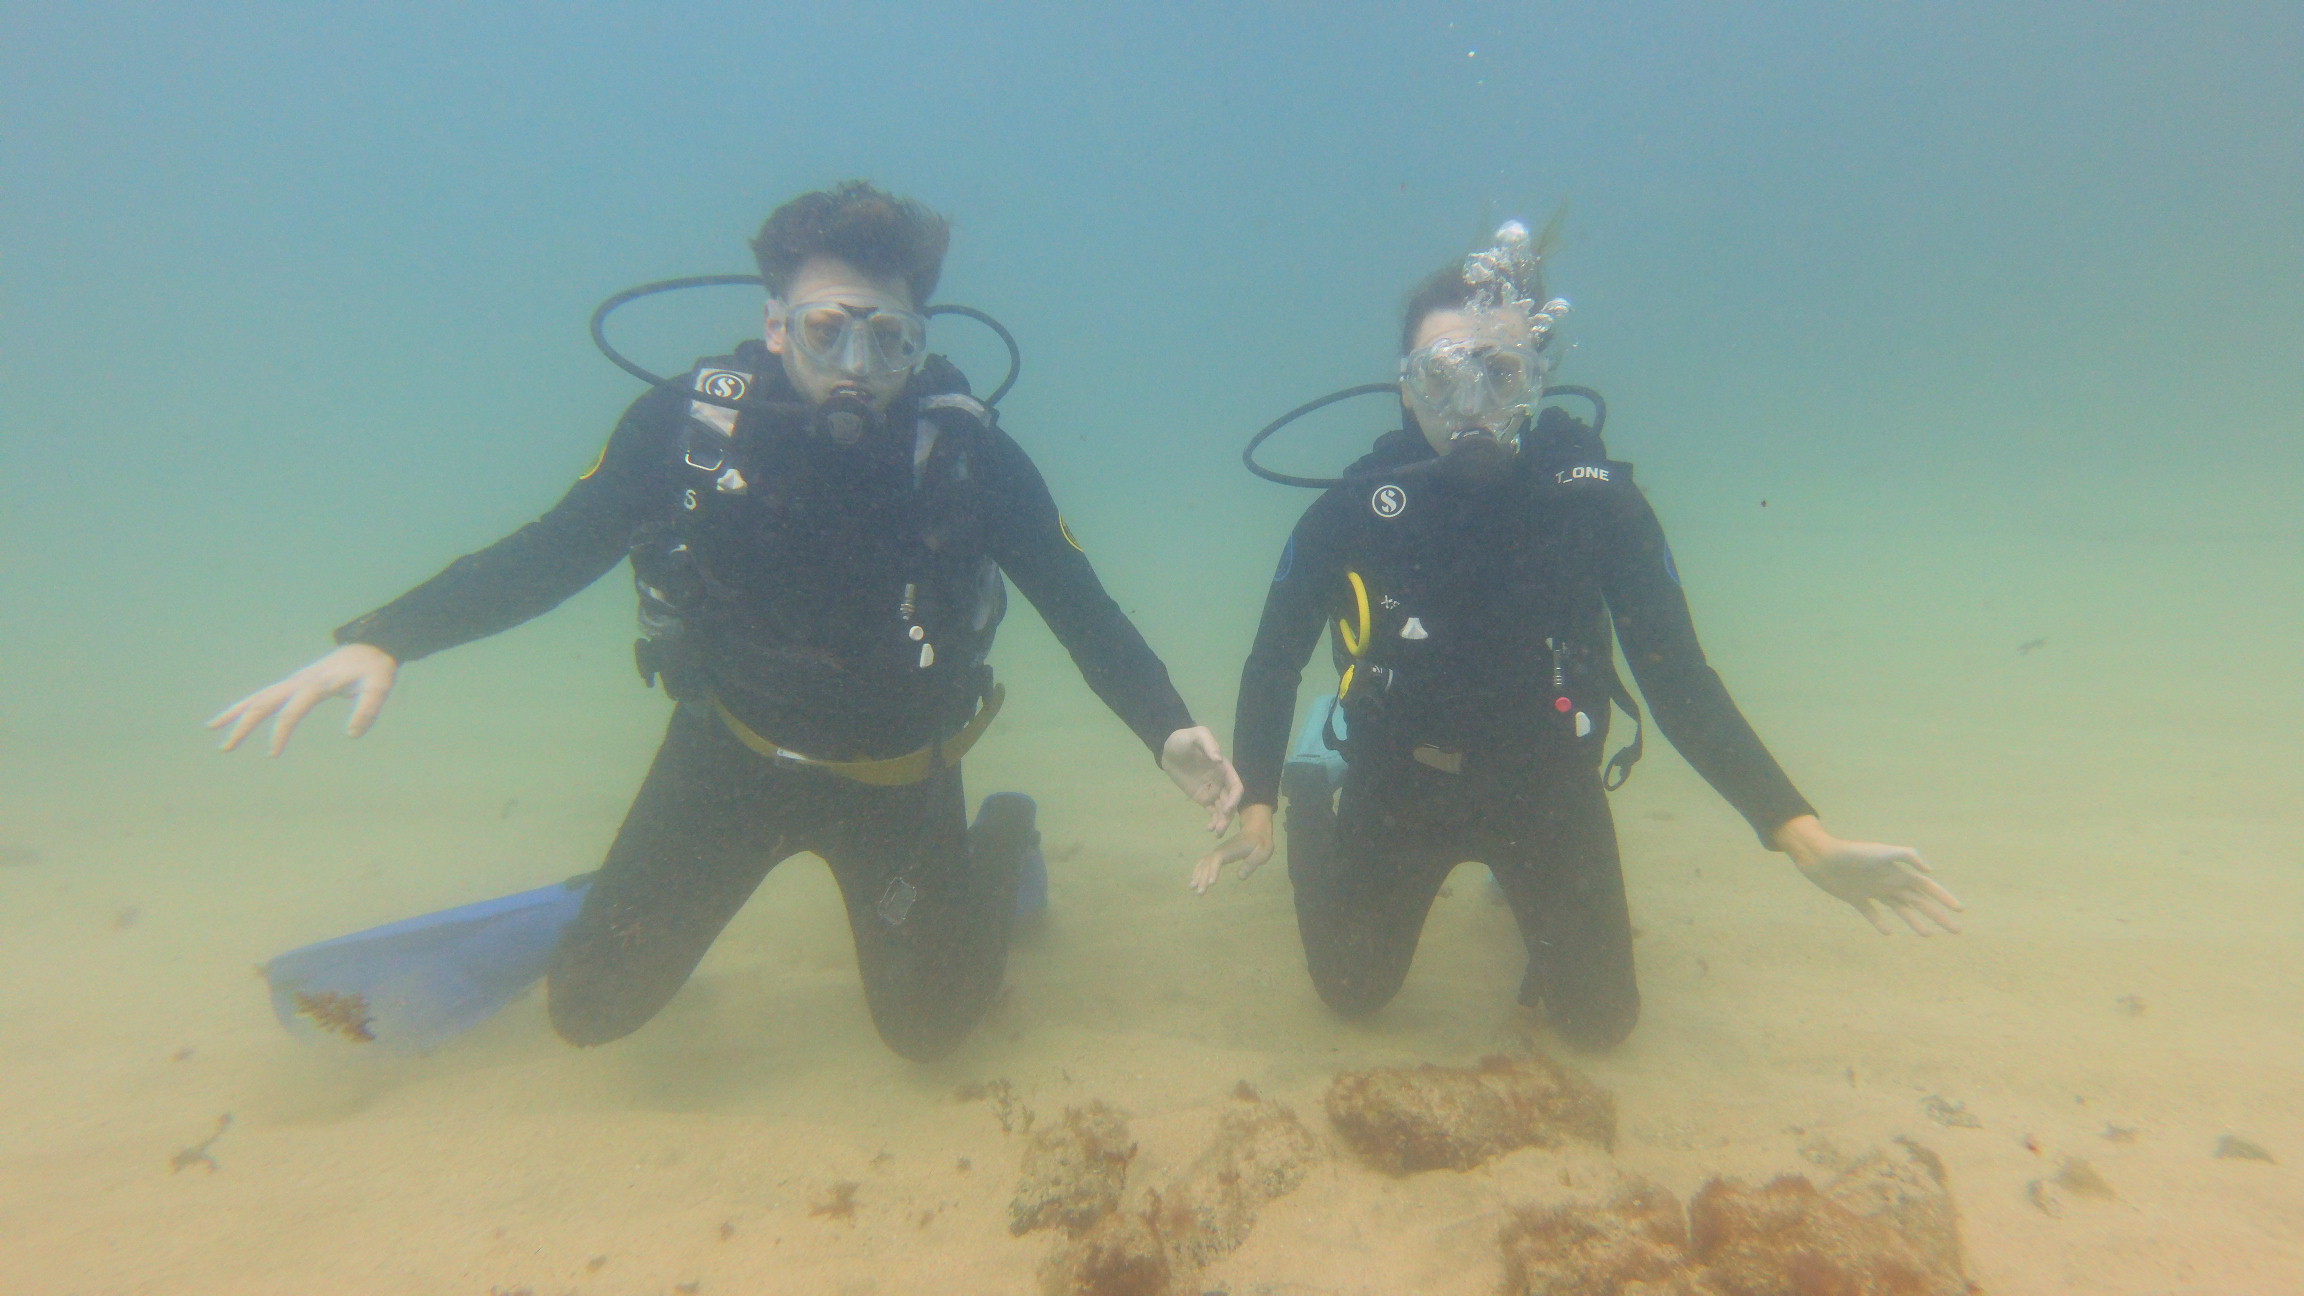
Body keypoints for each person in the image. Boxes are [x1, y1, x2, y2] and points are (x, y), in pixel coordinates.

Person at [213, 181, 1242, 1061]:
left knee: (930, 1031)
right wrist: (388, 634)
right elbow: (555, 548)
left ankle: (1002, 837)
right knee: (590, 1014)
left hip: (899, 779)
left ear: (919, 342)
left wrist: (1165, 726)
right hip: (727, 758)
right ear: (775, 324)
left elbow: (1077, 600)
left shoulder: (968, 457)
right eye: (827, 329)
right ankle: (612, 894)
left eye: (889, 338)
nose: (857, 365)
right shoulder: (685, 429)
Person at [1193, 221, 1960, 1048]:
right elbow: (1274, 659)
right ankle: (1316, 791)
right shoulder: (1354, 511)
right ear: (1406, 389)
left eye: (1500, 372)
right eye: (1443, 376)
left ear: (1538, 379)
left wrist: (1801, 835)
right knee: (1352, 991)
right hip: (1398, 780)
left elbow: (1679, 679)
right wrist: (1262, 799)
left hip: (1546, 785)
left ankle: (1527, 896)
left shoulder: (1596, 507)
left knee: (1599, 1026)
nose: (1471, 404)